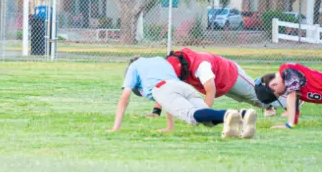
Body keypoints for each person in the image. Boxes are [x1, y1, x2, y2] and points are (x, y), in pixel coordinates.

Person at [110, 56, 257, 138]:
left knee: (192, 116)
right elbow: (168, 102)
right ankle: (242, 117)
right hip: (182, 87)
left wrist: (116, 128)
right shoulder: (160, 60)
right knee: (205, 117)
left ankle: (229, 115)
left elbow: (125, 98)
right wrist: (170, 127)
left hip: (162, 88)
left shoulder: (134, 66)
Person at [146, 48, 278, 118]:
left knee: (257, 96)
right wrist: (156, 111)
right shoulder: (172, 66)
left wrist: (204, 115)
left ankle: (290, 100)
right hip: (220, 85)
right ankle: (270, 107)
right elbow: (165, 88)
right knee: (249, 100)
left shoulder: (201, 66)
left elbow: (211, 91)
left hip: (231, 75)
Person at [256, 63, 322, 129]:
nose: (282, 94)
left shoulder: (286, 70)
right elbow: (294, 101)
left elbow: (291, 95)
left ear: (274, 85)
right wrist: (292, 123)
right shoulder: (295, 88)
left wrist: (289, 124)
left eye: (279, 94)